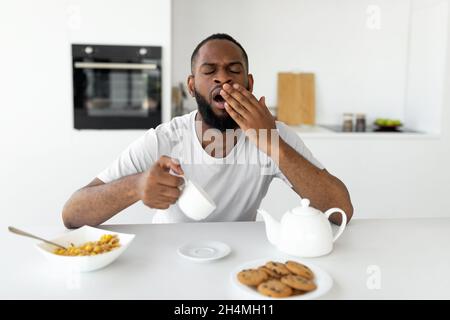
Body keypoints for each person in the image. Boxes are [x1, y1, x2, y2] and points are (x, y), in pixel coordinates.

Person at [62, 33, 353, 228]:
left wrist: (271, 143)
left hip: (238, 263)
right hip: (169, 258)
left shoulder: (272, 134)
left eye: (233, 70)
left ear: (249, 83)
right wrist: (136, 186)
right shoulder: (164, 139)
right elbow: (72, 215)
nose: (223, 78)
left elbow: (341, 211)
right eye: (209, 70)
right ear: (192, 85)